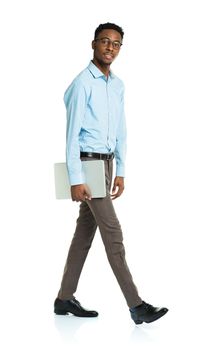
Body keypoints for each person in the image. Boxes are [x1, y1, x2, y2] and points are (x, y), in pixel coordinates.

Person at [54, 22, 168, 325]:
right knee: (113, 233)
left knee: (84, 233)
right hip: (87, 165)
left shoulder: (117, 85)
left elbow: (121, 130)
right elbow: (71, 135)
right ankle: (136, 305)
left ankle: (64, 298)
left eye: (116, 44)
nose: (110, 48)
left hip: (106, 165)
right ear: (93, 44)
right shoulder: (82, 84)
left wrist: (121, 170)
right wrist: (76, 178)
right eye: (105, 41)